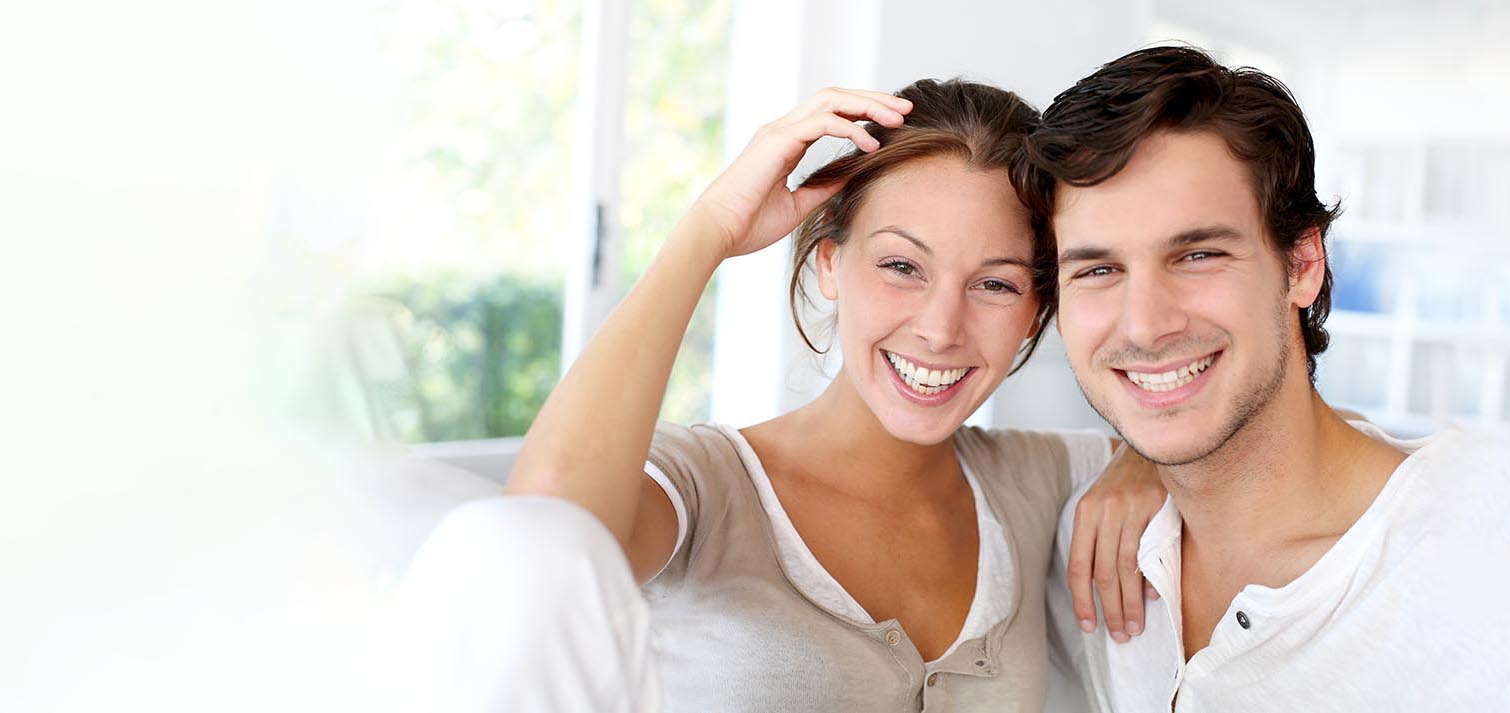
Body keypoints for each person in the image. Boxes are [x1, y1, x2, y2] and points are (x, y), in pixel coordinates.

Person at [393, 79, 1168, 713]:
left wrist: (1150, 456)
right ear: (829, 264)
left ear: (1037, 307)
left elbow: (1238, 444)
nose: (939, 328)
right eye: (901, 266)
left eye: (994, 283)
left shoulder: (1035, 481)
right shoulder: (705, 484)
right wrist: (709, 230)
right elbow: (540, 533)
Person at [1030, 45, 1510, 711]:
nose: (1145, 326)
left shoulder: (1496, 553)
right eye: (1097, 269)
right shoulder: (1082, 545)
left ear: (1302, 263)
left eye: (1198, 254)